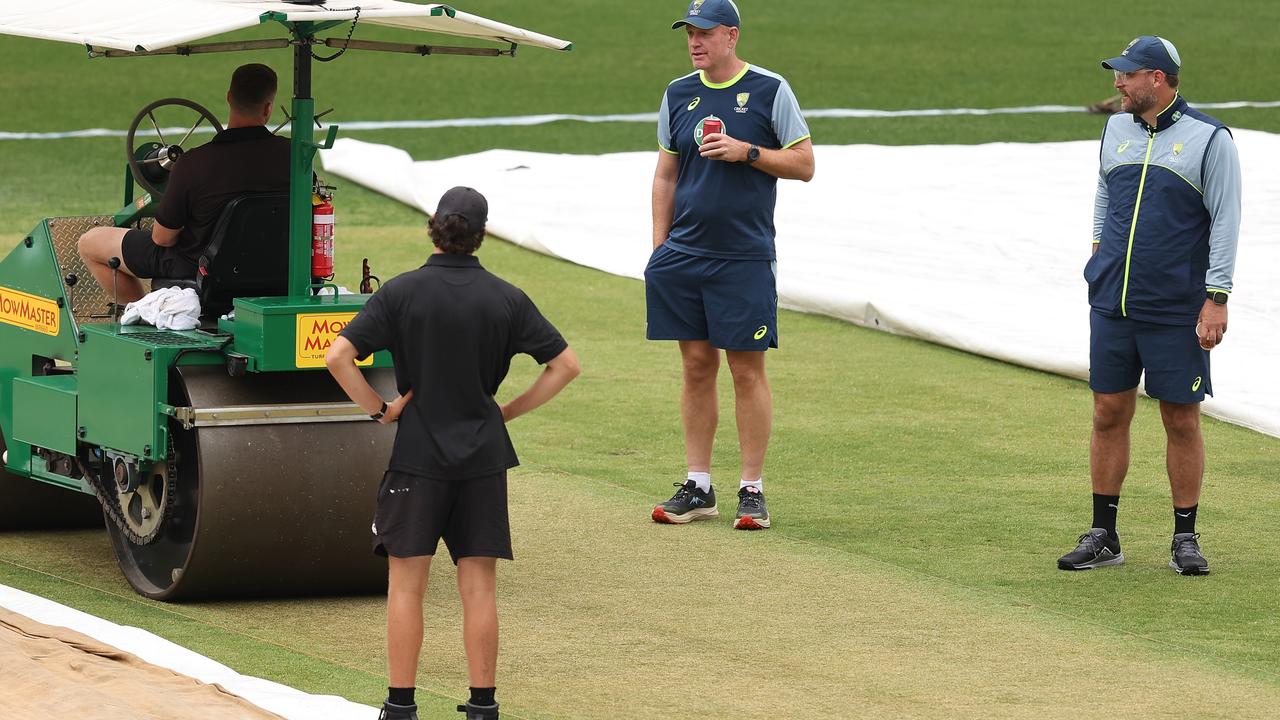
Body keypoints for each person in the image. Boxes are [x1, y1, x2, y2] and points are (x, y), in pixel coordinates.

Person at [325, 187, 580, 720]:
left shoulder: (401, 293)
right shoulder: (506, 297)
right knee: (478, 584)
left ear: (433, 228)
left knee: (406, 584)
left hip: (417, 456)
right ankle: (482, 707)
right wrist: (504, 412)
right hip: (483, 458)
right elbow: (565, 366)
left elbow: (339, 357)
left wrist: (381, 409)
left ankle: (400, 707)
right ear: (481, 235)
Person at [1058, 36, 1241, 576]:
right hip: (1112, 299)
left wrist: (1217, 298)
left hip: (1175, 307)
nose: (1117, 83)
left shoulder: (1211, 140)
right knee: (1107, 411)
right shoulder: (1115, 127)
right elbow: (1103, 194)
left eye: (1127, 75)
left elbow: (1227, 221)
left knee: (1180, 417)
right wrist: (1097, 251)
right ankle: (1103, 534)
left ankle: (1185, 535)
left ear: (1157, 79)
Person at [646, 0, 814, 531]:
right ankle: (698, 486)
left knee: (746, 370)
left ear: (731, 36)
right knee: (696, 367)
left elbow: (805, 164)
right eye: (689, 33)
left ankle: (751, 490)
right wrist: (659, 250)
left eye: (704, 32)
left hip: (742, 259)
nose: (694, 42)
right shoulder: (678, 93)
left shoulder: (770, 89)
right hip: (682, 259)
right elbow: (666, 176)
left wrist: (748, 152)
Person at [77, 63, 290, 304]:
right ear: (269, 107)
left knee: (90, 242)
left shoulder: (194, 163)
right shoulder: (294, 157)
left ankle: (142, 313)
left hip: (199, 267)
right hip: (273, 267)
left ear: (229, 97)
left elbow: (162, 239)